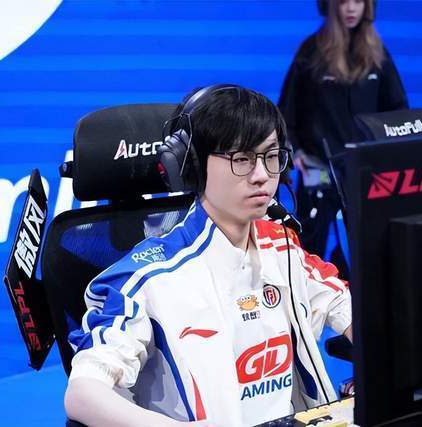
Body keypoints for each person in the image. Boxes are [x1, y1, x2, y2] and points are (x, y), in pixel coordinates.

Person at [64, 85, 352, 427]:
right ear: (193, 165)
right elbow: (83, 395)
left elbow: (347, 308)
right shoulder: (144, 279)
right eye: (242, 159)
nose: (262, 175)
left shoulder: (283, 247)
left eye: (271, 156)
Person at [278, 0, 408, 277]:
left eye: (358, 1)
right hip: (319, 170)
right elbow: (287, 111)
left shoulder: (378, 54)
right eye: (344, 1)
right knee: (308, 246)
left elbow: (398, 111)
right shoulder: (311, 51)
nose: (351, 8)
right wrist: (296, 152)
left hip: (364, 172)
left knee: (365, 250)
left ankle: (354, 299)